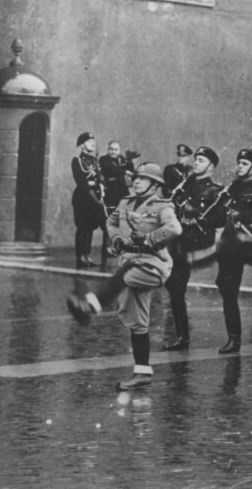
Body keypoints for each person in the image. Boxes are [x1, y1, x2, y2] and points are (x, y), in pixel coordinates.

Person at [66, 163, 182, 390]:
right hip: (131, 261)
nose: (136, 181)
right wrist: (117, 238)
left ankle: (90, 308)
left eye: (143, 179)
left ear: (155, 184)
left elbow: (175, 228)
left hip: (154, 264)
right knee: (137, 322)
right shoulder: (125, 202)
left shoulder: (162, 206)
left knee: (125, 273)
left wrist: (149, 238)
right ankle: (142, 372)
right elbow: (110, 222)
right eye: (135, 177)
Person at [163, 146, 224, 351]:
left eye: (201, 160)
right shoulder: (185, 185)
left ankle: (183, 337)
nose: (196, 162)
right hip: (180, 238)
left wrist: (196, 212)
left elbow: (217, 219)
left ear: (211, 166)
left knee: (176, 283)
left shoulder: (215, 190)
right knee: (174, 287)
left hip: (197, 240)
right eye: (195, 159)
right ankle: (182, 335)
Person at [214, 149, 252, 354]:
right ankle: (233, 338)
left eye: (244, 164)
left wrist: (242, 215)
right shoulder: (232, 189)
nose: (239, 167)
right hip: (229, 244)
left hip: (249, 244)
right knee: (227, 289)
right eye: (239, 163)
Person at [71, 132, 106, 267]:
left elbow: (100, 180)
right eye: (89, 141)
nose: (93, 143)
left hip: (95, 199)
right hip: (83, 199)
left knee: (90, 228)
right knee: (82, 228)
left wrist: (101, 194)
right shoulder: (77, 161)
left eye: (93, 141)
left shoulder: (94, 161)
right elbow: (83, 183)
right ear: (82, 145)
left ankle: (87, 255)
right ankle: (80, 256)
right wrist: (96, 201)